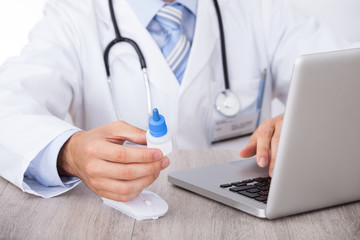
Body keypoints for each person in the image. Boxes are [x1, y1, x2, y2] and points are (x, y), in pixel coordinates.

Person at [0, 0, 352, 201]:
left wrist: (305, 121)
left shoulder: (258, 9)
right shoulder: (73, 17)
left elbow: (347, 75)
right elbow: (7, 105)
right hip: (122, 219)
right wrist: (68, 151)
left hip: (243, 213)